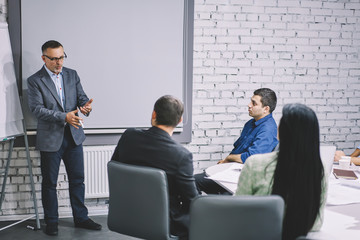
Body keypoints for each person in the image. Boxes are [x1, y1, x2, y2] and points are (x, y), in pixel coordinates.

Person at [27, 40, 101, 236]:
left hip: (74, 136)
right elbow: (36, 110)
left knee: (78, 180)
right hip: (51, 139)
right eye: (54, 59)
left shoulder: (72, 74)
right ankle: (52, 222)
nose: (59, 62)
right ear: (44, 58)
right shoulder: (35, 80)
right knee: (49, 183)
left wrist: (86, 107)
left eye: (61, 57)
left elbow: (81, 98)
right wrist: (64, 116)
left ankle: (81, 218)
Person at [111, 95, 198, 239]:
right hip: (166, 222)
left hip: (128, 214)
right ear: (180, 120)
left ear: (154, 114)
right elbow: (192, 201)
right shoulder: (181, 155)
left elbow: (116, 167)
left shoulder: (128, 136)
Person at [236, 103, 325, 240]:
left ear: (282, 131)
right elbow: (316, 223)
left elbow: (238, 211)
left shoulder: (256, 163)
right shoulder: (317, 169)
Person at [195, 88, 279, 194]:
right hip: (233, 169)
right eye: (250, 101)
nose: (249, 105)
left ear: (266, 109)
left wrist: (229, 158)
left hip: (244, 176)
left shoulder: (268, 129)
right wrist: (225, 163)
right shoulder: (250, 124)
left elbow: (251, 157)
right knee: (194, 181)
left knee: (218, 195)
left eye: (254, 103)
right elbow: (238, 148)